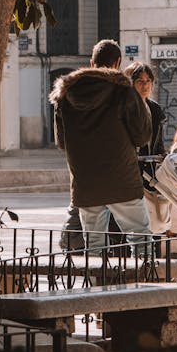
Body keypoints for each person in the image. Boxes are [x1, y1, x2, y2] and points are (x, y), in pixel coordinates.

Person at [50, 38, 152, 250]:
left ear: (92, 62)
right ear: (117, 63)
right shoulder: (123, 91)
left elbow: (61, 142)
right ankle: (145, 282)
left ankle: (96, 283)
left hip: (86, 181)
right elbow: (142, 136)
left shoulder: (65, 95)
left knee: (94, 244)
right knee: (140, 238)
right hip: (122, 179)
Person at [125, 61, 166, 166]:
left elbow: (158, 142)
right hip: (130, 167)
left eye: (148, 80)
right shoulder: (124, 109)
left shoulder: (155, 109)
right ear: (131, 84)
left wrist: (162, 155)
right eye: (140, 81)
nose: (145, 85)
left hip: (151, 169)